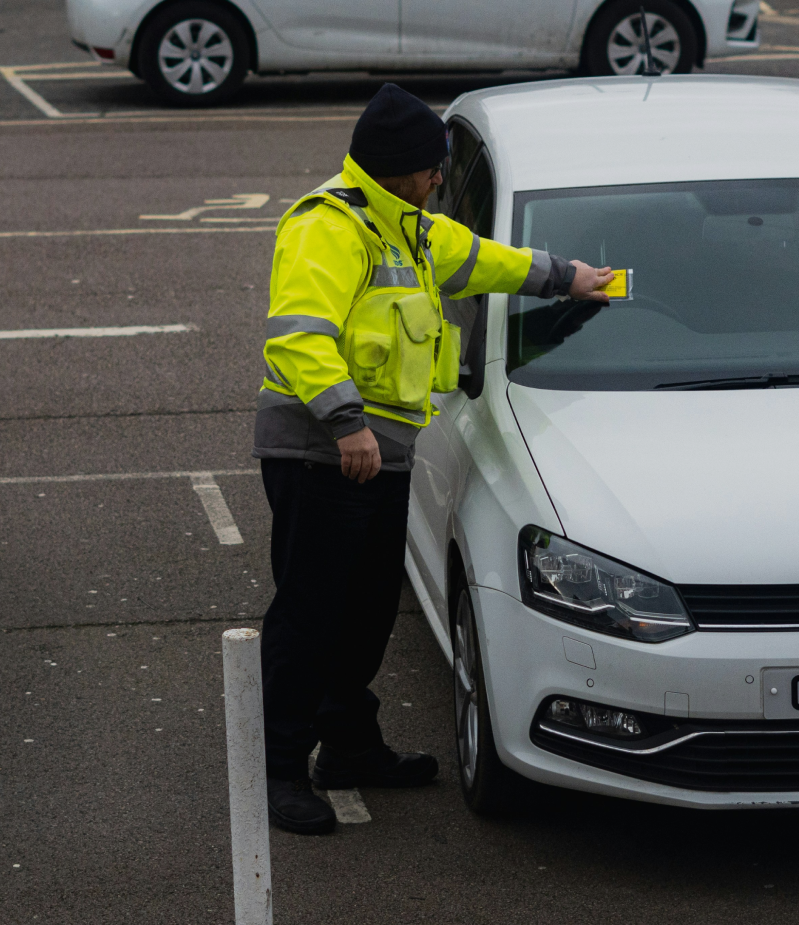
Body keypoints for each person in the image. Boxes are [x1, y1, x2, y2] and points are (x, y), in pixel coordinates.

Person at [253, 83, 612, 834]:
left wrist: (569, 277)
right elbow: (297, 336)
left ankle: (348, 746)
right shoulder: (329, 227)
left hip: (378, 455)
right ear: (394, 170)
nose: (441, 179)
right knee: (310, 616)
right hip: (323, 454)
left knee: (364, 614)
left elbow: (483, 259)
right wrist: (345, 423)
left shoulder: (409, 226)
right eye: (431, 168)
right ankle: (281, 770)